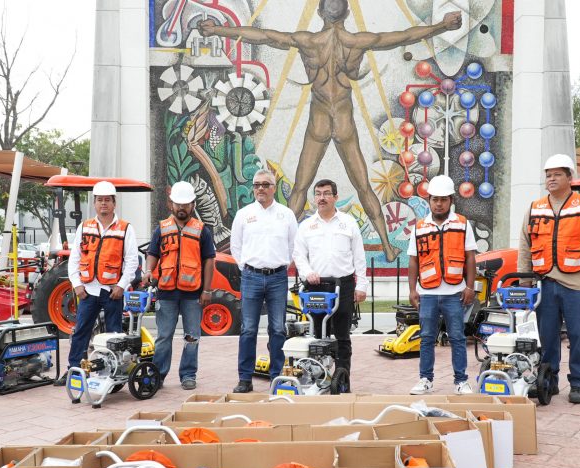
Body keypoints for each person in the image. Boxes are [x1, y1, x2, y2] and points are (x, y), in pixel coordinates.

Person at [200, 1, 461, 262]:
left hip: (320, 119)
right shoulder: (357, 41)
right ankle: (388, 247)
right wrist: (442, 26)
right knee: (363, 186)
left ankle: (284, 248)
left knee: (301, 187)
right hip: (344, 120)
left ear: (319, 12)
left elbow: (265, 36)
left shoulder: (308, 41)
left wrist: (217, 31)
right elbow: (402, 37)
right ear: (348, 13)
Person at [518, 154, 580, 404]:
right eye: (548, 175)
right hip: (545, 283)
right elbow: (525, 244)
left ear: (570, 178)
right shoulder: (535, 207)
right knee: (547, 337)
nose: (551, 179)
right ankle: (549, 381)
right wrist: (524, 277)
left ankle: (579, 383)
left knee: (579, 335)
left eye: (557, 174)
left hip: (577, 284)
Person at [59, 180, 139, 385]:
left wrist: (122, 285)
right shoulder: (84, 227)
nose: (103, 204)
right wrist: (77, 284)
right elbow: (74, 258)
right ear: (95, 203)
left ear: (114, 203)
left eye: (107, 200)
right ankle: (75, 371)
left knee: (114, 335)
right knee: (81, 333)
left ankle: (113, 375)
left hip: (112, 292)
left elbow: (131, 261)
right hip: (87, 291)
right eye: (100, 200)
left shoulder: (125, 229)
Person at [292, 179, 367, 392]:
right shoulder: (306, 225)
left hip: (342, 286)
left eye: (326, 193)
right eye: (318, 194)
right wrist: (307, 273)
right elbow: (299, 255)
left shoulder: (348, 223)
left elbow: (359, 257)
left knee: (342, 336)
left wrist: (361, 285)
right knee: (316, 337)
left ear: (335, 197)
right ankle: (317, 379)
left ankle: (343, 380)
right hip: (316, 288)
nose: (322, 198)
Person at [407, 176, 477, 395]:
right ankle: (425, 379)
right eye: (435, 199)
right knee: (427, 337)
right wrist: (412, 290)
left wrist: (470, 287)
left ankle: (461, 380)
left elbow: (470, 257)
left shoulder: (463, 224)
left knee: (457, 337)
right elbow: (413, 260)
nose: (439, 204)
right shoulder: (419, 228)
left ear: (451, 200)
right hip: (427, 293)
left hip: (454, 292)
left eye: (443, 200)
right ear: (429, 200)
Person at [143, 181, 216, 390]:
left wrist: (207, 290)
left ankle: (188, 374)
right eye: (178, 204)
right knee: (164, 337)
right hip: (166, 292)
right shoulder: (162, 229)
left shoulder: (202, 230)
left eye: (185, 204)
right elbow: (153, 254)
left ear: (193, 205)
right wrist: (148, 271)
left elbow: (209, 260)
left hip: (193, 294)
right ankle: (159, 375)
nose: (181, 208)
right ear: (171, 204)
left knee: (192, 336)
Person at [231, 169, 297, 393]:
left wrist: (281, 265)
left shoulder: (286, 215)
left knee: (278, 329)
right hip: (251, 277)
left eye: (265, 184)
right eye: (257, 184)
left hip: (278, 277)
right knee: (248, 329)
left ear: (274, 188)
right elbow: (236, 246)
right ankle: (245, 378)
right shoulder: (244, 214)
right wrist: (246, 267)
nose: (260, 188)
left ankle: (277, 377)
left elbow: (293, 246)